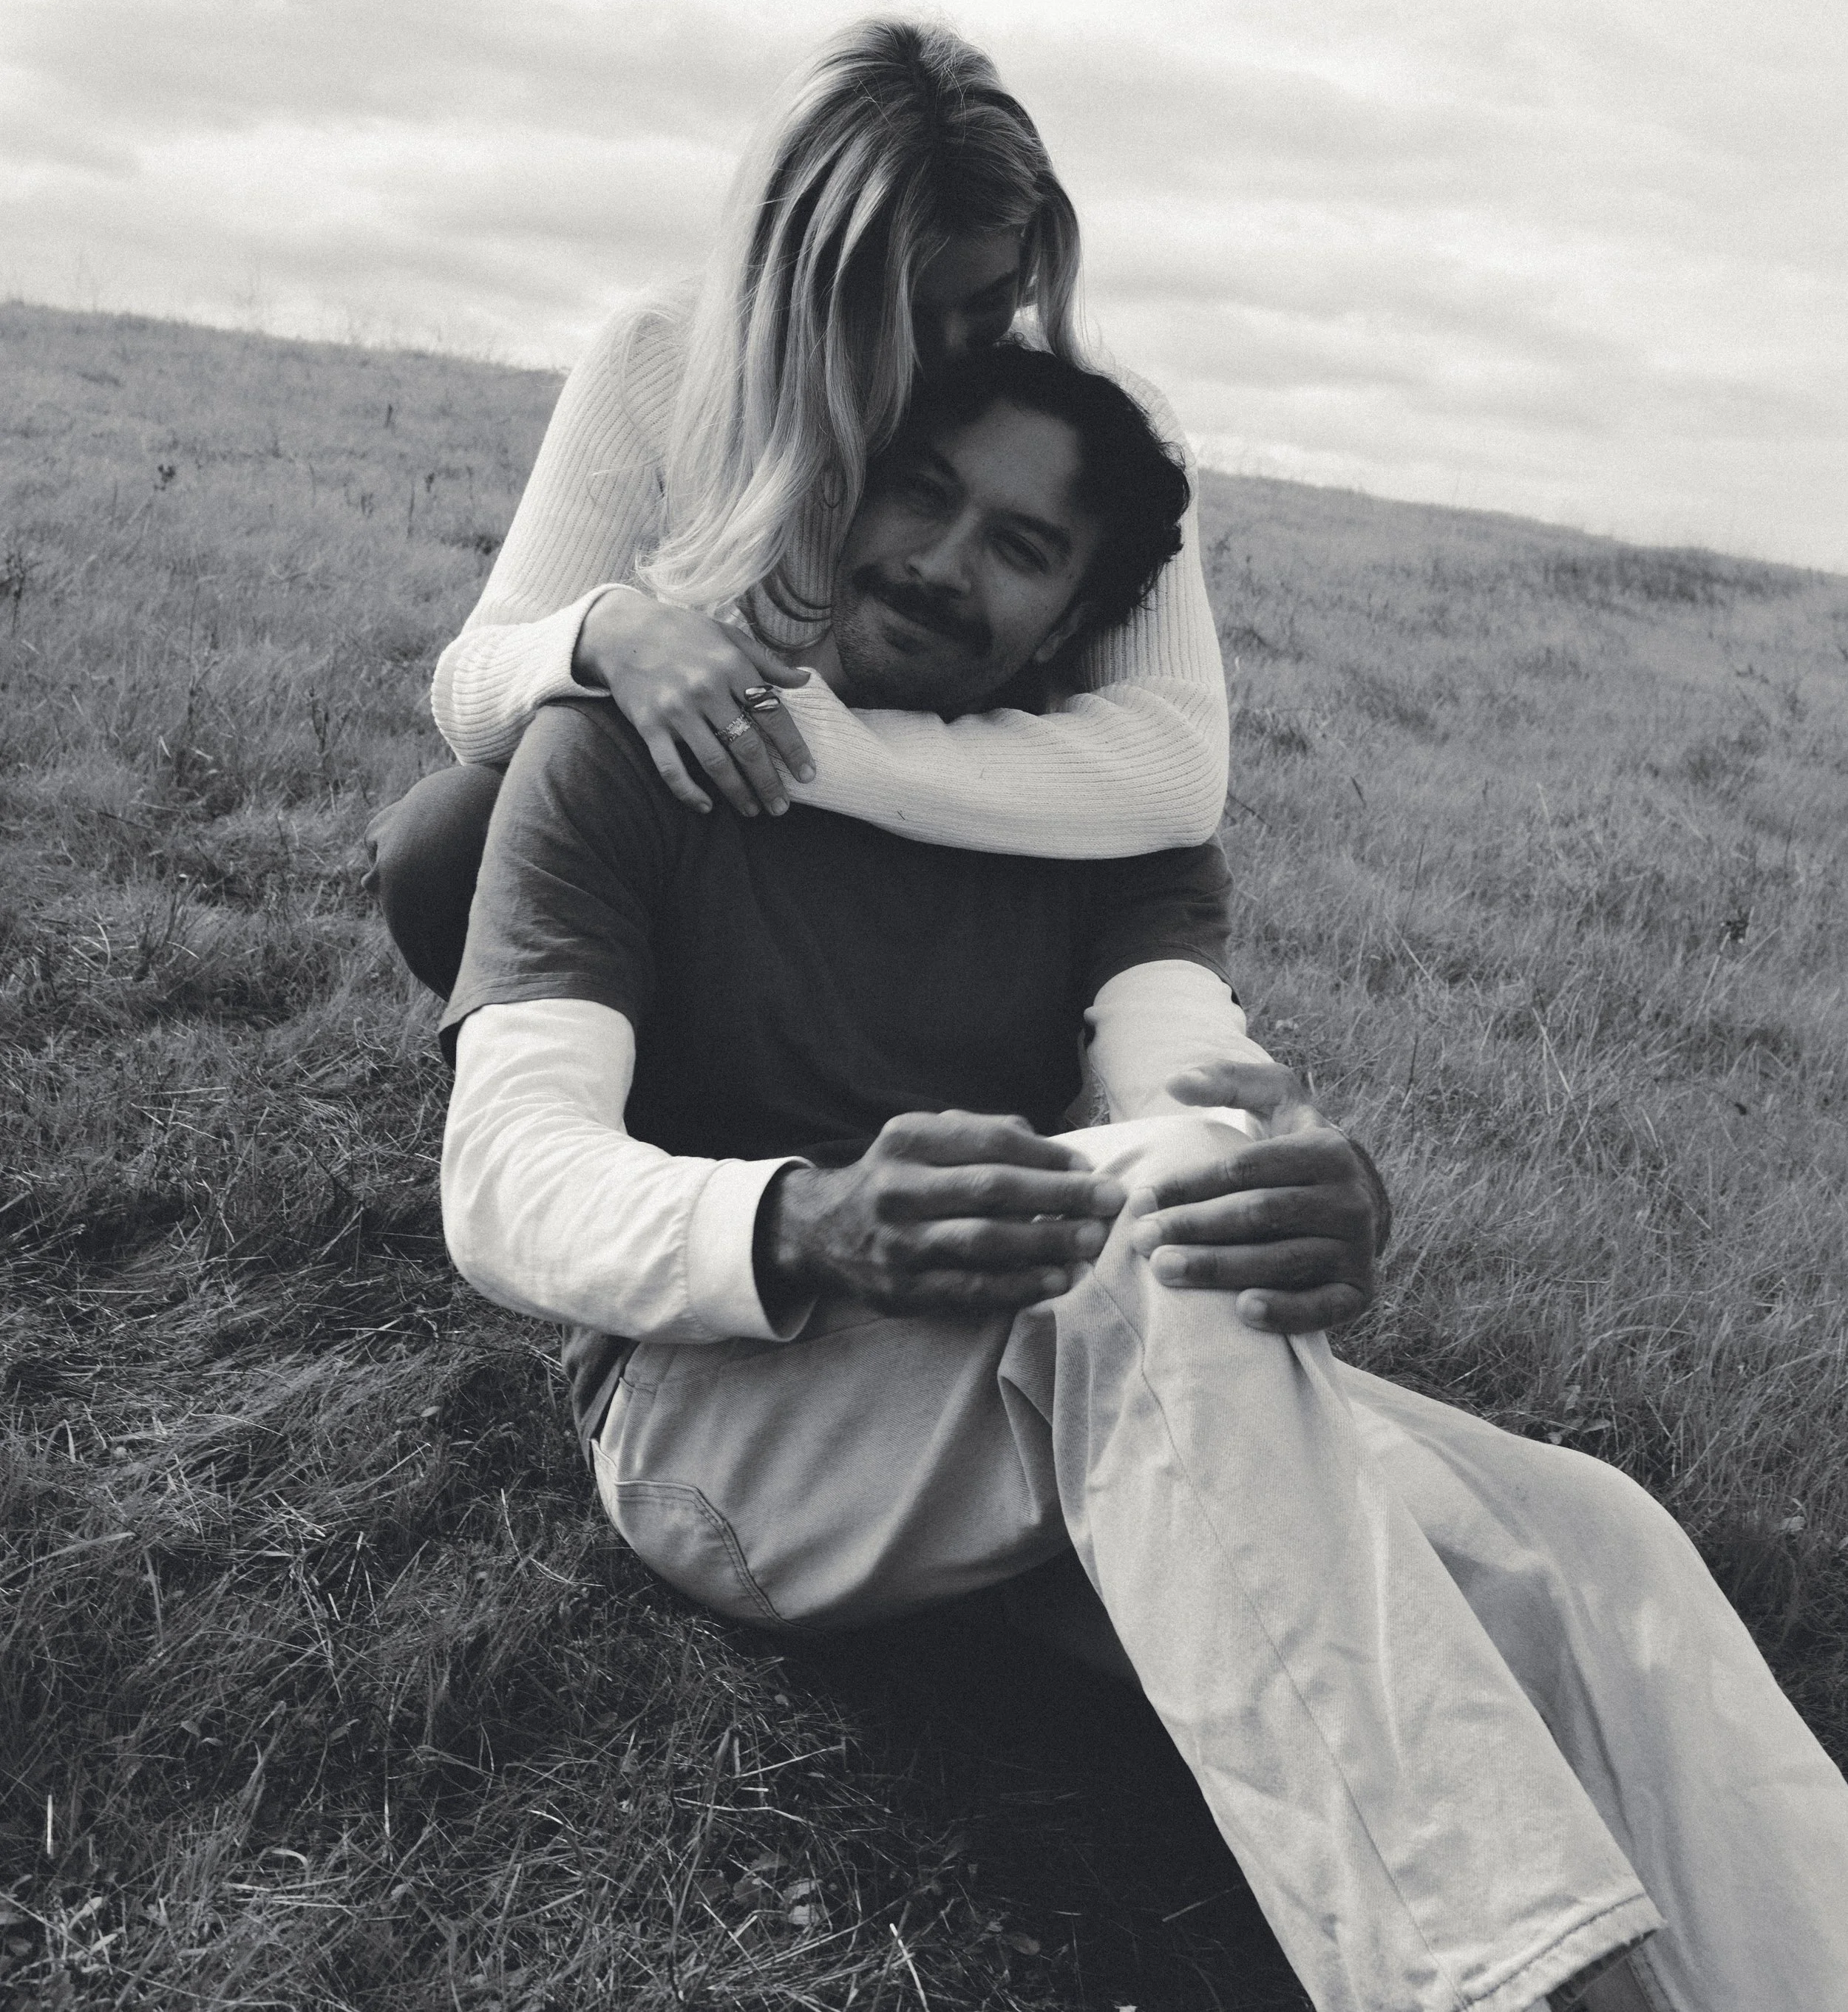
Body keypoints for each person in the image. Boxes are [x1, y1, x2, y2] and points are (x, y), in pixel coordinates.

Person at [437, 346, 1848, 2012]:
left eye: (1020, 549)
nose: (943, 563)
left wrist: (1302, 1181)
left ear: (1072, 621)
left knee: (1586, 1534)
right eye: (923, 492)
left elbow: (1182, 1071)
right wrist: (804, 1216)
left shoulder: (1103, 826)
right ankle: (1491, 1987)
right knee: (1144, 1247)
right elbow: (504, 1178)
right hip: (723, 1426)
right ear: (839, 487)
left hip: (1062, 1402)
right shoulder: (632, 750)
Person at [367, 18, 1228, 1002]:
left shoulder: (1096, 418)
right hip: (724, 866)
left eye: (986, 299)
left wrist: (793, 748)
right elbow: (470, 691)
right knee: (448, 838)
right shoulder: (664, 355)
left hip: (965, 884)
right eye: (890, 302)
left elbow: (1176, 765)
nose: (944, 349)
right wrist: (611, 636)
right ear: (791, 266)